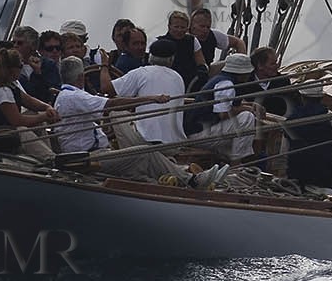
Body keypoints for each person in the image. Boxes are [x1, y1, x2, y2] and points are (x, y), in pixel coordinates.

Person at [53, 57, 226, 189]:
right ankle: (191, 180)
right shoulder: (74, 97)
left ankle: (173, 182)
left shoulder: (67, 96)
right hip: (88, 158)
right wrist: (150, 99)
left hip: (96, 153)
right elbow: (111, 104)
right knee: (143, 152)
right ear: (82, 77)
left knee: (138, 166)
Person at [0, 48, 58, 160]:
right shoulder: (1, 91)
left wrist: (47, 107)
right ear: (13, 69)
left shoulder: (9, 83)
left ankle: (50, 155)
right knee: (22, 131)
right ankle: (50, 158)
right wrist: (45, 117)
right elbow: (17, 121)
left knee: (34, 117)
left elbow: (28, 101)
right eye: (21, 66)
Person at [112, 37, 189, 146]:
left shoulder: (141, 73)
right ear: (172, 59)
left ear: (150, 57)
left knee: (115, 112)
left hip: (147, 142)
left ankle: (129, 152)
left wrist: (104, 66)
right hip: (175, 144)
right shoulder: (178, 78)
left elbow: (108, 89)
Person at [200, 54, 261, 165]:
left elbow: (227, 104)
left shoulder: (220, 79)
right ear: (242, 73)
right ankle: (236, 162)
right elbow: (223, 114)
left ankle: (228, 158)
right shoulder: (226, 84)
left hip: (203, 129)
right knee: (247, 117)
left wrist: (249, 105)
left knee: (243, 117)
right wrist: (246, 108)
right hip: (200, 134)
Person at [284, 80, 332, 189]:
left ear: (302, 97)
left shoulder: (292, 118)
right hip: (322, 170)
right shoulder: (330, 116)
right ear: (322, 97)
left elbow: (285, 149)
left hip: (296, 169)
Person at [159, 10, 208, 90]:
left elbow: (201, 62)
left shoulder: (192, 40)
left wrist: (202, 69)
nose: (179, 30)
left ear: (187, 28)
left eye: (182, 27)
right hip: (166, 81)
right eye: (176, 27)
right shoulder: (159, 42)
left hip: (189, 82)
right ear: (169, 26)